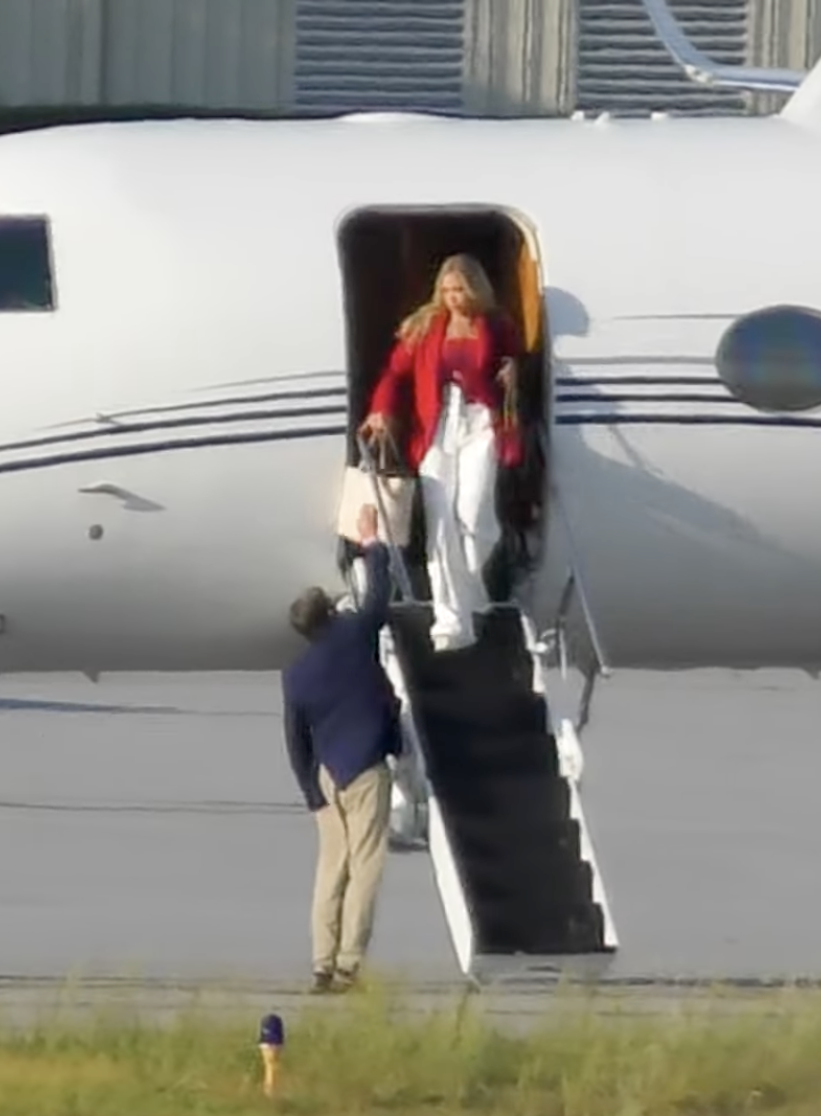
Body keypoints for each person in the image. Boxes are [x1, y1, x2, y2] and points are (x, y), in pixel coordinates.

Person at [359, 253, 522, 652]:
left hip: (480, 422)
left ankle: (470, 590)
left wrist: (515, 369)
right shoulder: (427, 326)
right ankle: (451, 620)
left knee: (474, 516)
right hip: (437, 426)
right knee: (441, 523)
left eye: (459, 290)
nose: (452, 298)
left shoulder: (496, 325)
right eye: (446, 290)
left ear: (475, 288)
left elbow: (520, 360)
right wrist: (380, 409)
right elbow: (395, 373)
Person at [281, 504, 402, 993]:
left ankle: (322, 962)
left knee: (331, 871)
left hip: (328, 776)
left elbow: (295, 738)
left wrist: (311, 790)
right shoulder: (354, 636)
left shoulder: (297, 675)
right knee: (366, 865)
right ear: (331, 613)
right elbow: (378, 601)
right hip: (366, 768)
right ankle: (351, 963)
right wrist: (372, 542)